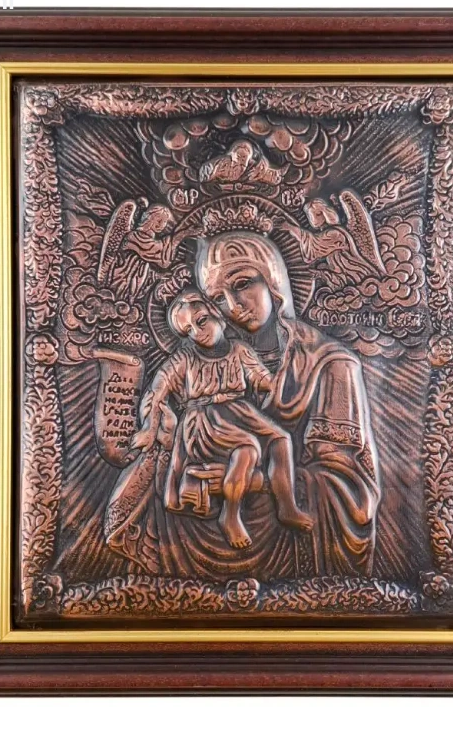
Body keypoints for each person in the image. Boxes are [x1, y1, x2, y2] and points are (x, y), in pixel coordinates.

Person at [196, 230, 382, 576]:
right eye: (218, 299)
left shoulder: (330, 364)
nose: (233, 307)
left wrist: (248, 482)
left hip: (294, 539)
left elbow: (345, 490)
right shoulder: (217, 362)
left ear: (273, 280)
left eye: (242, 284)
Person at [131, 288, 313, 549]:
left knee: (281, 439)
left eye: (201, 321)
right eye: (188, 330)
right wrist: (149, 428)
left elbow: (262, 379)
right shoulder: (184, 358)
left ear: (216, 313)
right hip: (204, 421)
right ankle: (230, 514)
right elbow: (156, 393)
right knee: (247, 449)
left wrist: (288, 373)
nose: (198, 332)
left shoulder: (239, 350)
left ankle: (287, 507)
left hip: (241, 413)